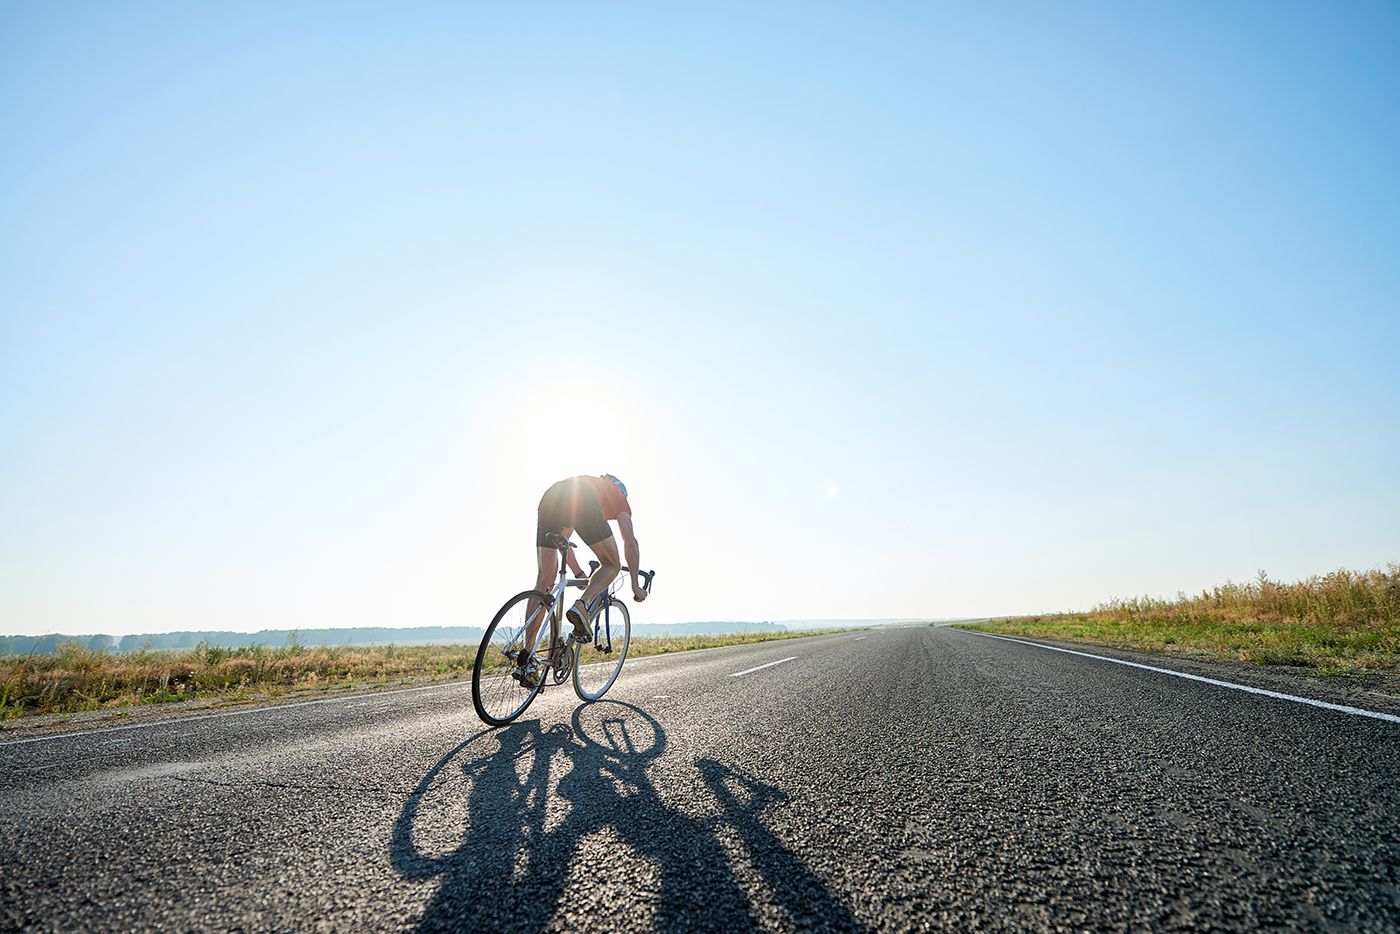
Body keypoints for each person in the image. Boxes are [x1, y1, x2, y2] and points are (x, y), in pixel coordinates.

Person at [517, 474, 645, 685]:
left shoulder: (588, 484)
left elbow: (564, 541)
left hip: (551, 496)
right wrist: (635, 585)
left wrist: (578, 573)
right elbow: (630, 542)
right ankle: (582, 606)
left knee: (544, 581)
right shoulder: (618, 496)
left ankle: (526, 659)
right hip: (583, 499)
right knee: (611, 564)